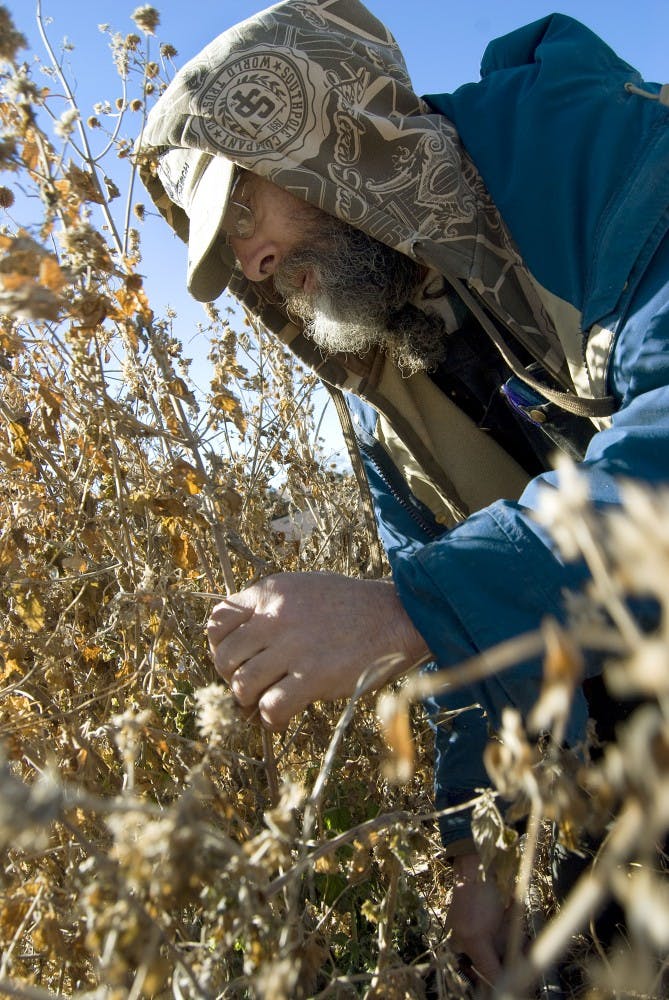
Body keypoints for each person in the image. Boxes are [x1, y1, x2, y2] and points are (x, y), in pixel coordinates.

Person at [138, 0, 669, 984]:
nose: (252, 264)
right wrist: (470, 850)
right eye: (227, 252)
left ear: (334, 133)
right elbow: (456, 650)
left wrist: (408, 609)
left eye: (247, 209)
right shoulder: (386, 372)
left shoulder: (605, 155)